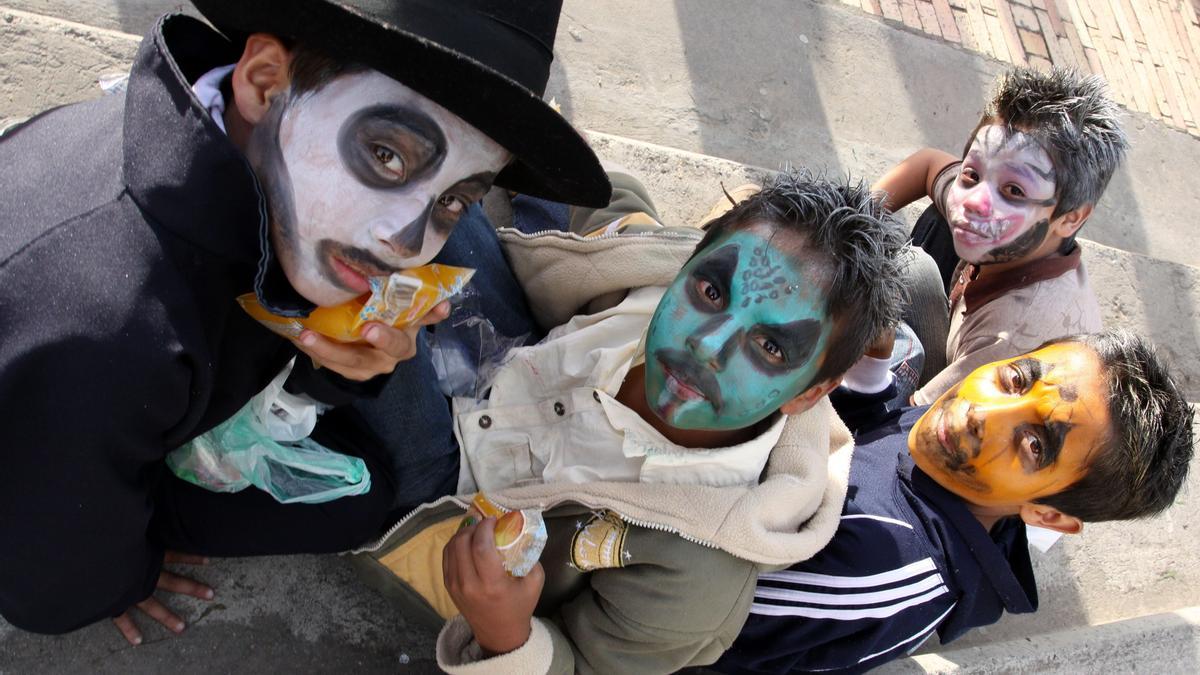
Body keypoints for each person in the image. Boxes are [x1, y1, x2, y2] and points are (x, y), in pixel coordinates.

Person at [0, 0, 610, 642]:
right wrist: (114, 577)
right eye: (388, 156)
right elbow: (46, 590)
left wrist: (335, 369)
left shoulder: (256, 185)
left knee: (361, 493)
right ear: (264, 82)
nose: (406, 241)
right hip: (41, 440)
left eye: (455, 198)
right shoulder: (111, 328)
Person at [350, 171, 910, 674]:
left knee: (348, 312)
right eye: (712, 291)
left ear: (810, 392)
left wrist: (505, 632)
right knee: (412, 194)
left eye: (768, 345)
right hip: (499, 348)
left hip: (448, 503)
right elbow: (599, 196)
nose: (704, 344)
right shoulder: (649, 274)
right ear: (688, 258)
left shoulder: (697, 576)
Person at [715, 329, 1194, 674]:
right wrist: (870, 372)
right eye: (1015, 380)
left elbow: (701, 615)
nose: (981, 413)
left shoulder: (879, 560)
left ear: (1047, 515)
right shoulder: (948, 454)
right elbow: (882, 437)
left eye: (1033, 446)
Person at [871, 67, 1128, 405]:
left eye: (1013, 190)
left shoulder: (1014, 339)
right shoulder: (997, 218)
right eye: (973, 173)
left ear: (1071, 218)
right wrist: (845, 229)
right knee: (941, 219)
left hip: (962, 407)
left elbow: (914, 421)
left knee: (914, 270)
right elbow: (928, 164)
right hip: (962, 329)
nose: (975, 201)